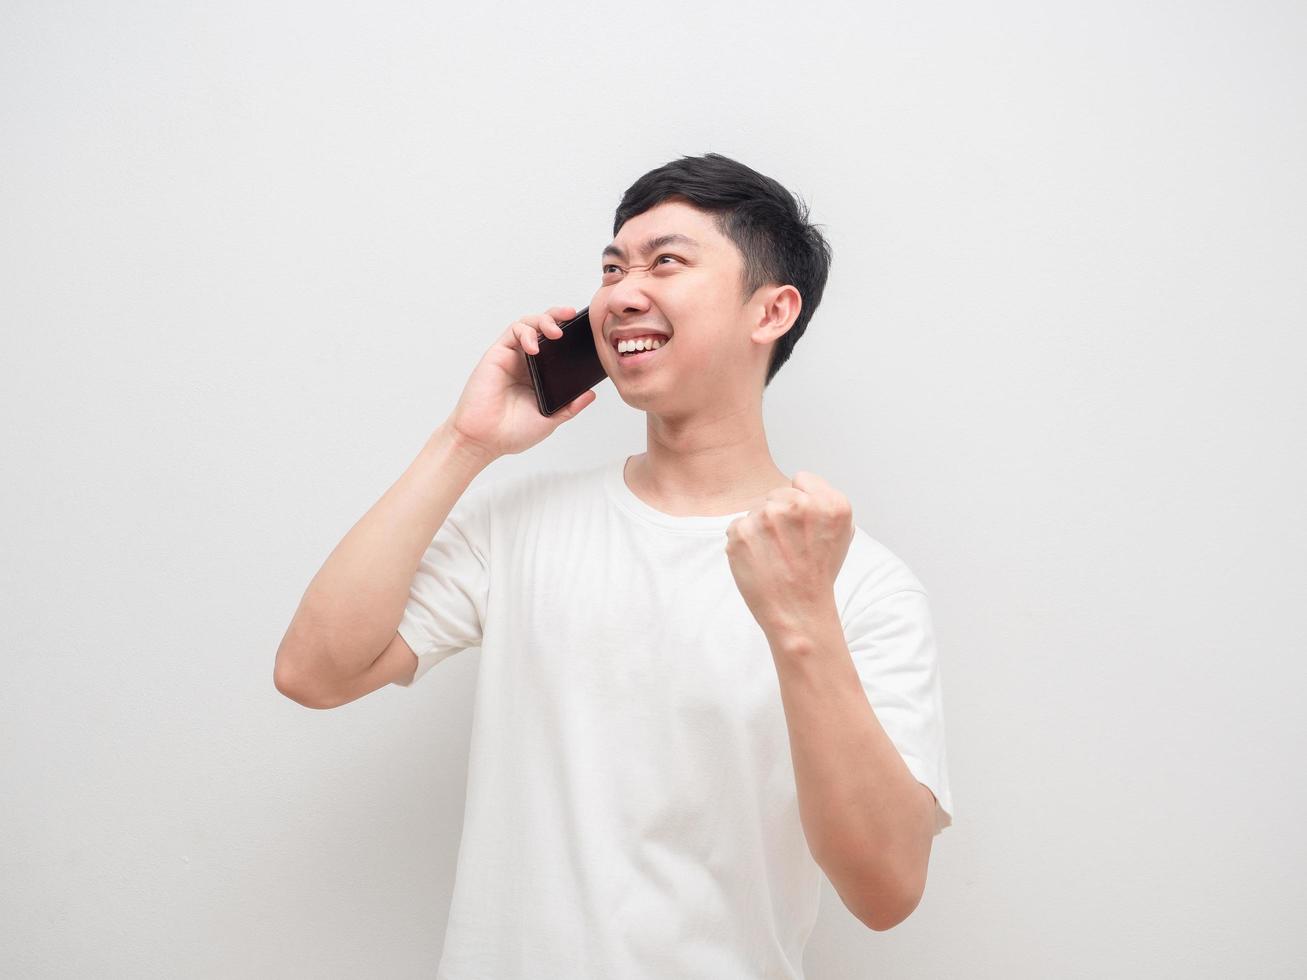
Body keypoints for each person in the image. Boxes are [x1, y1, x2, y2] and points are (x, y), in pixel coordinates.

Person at [274, 152, 953, 979]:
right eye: (611, 267)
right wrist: (466, 444)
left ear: (771, 310)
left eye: (665, 261)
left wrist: (802, 618)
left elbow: (885, 890)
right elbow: (314, 672)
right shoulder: (520, 525)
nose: (621, 292)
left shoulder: (857, 583)